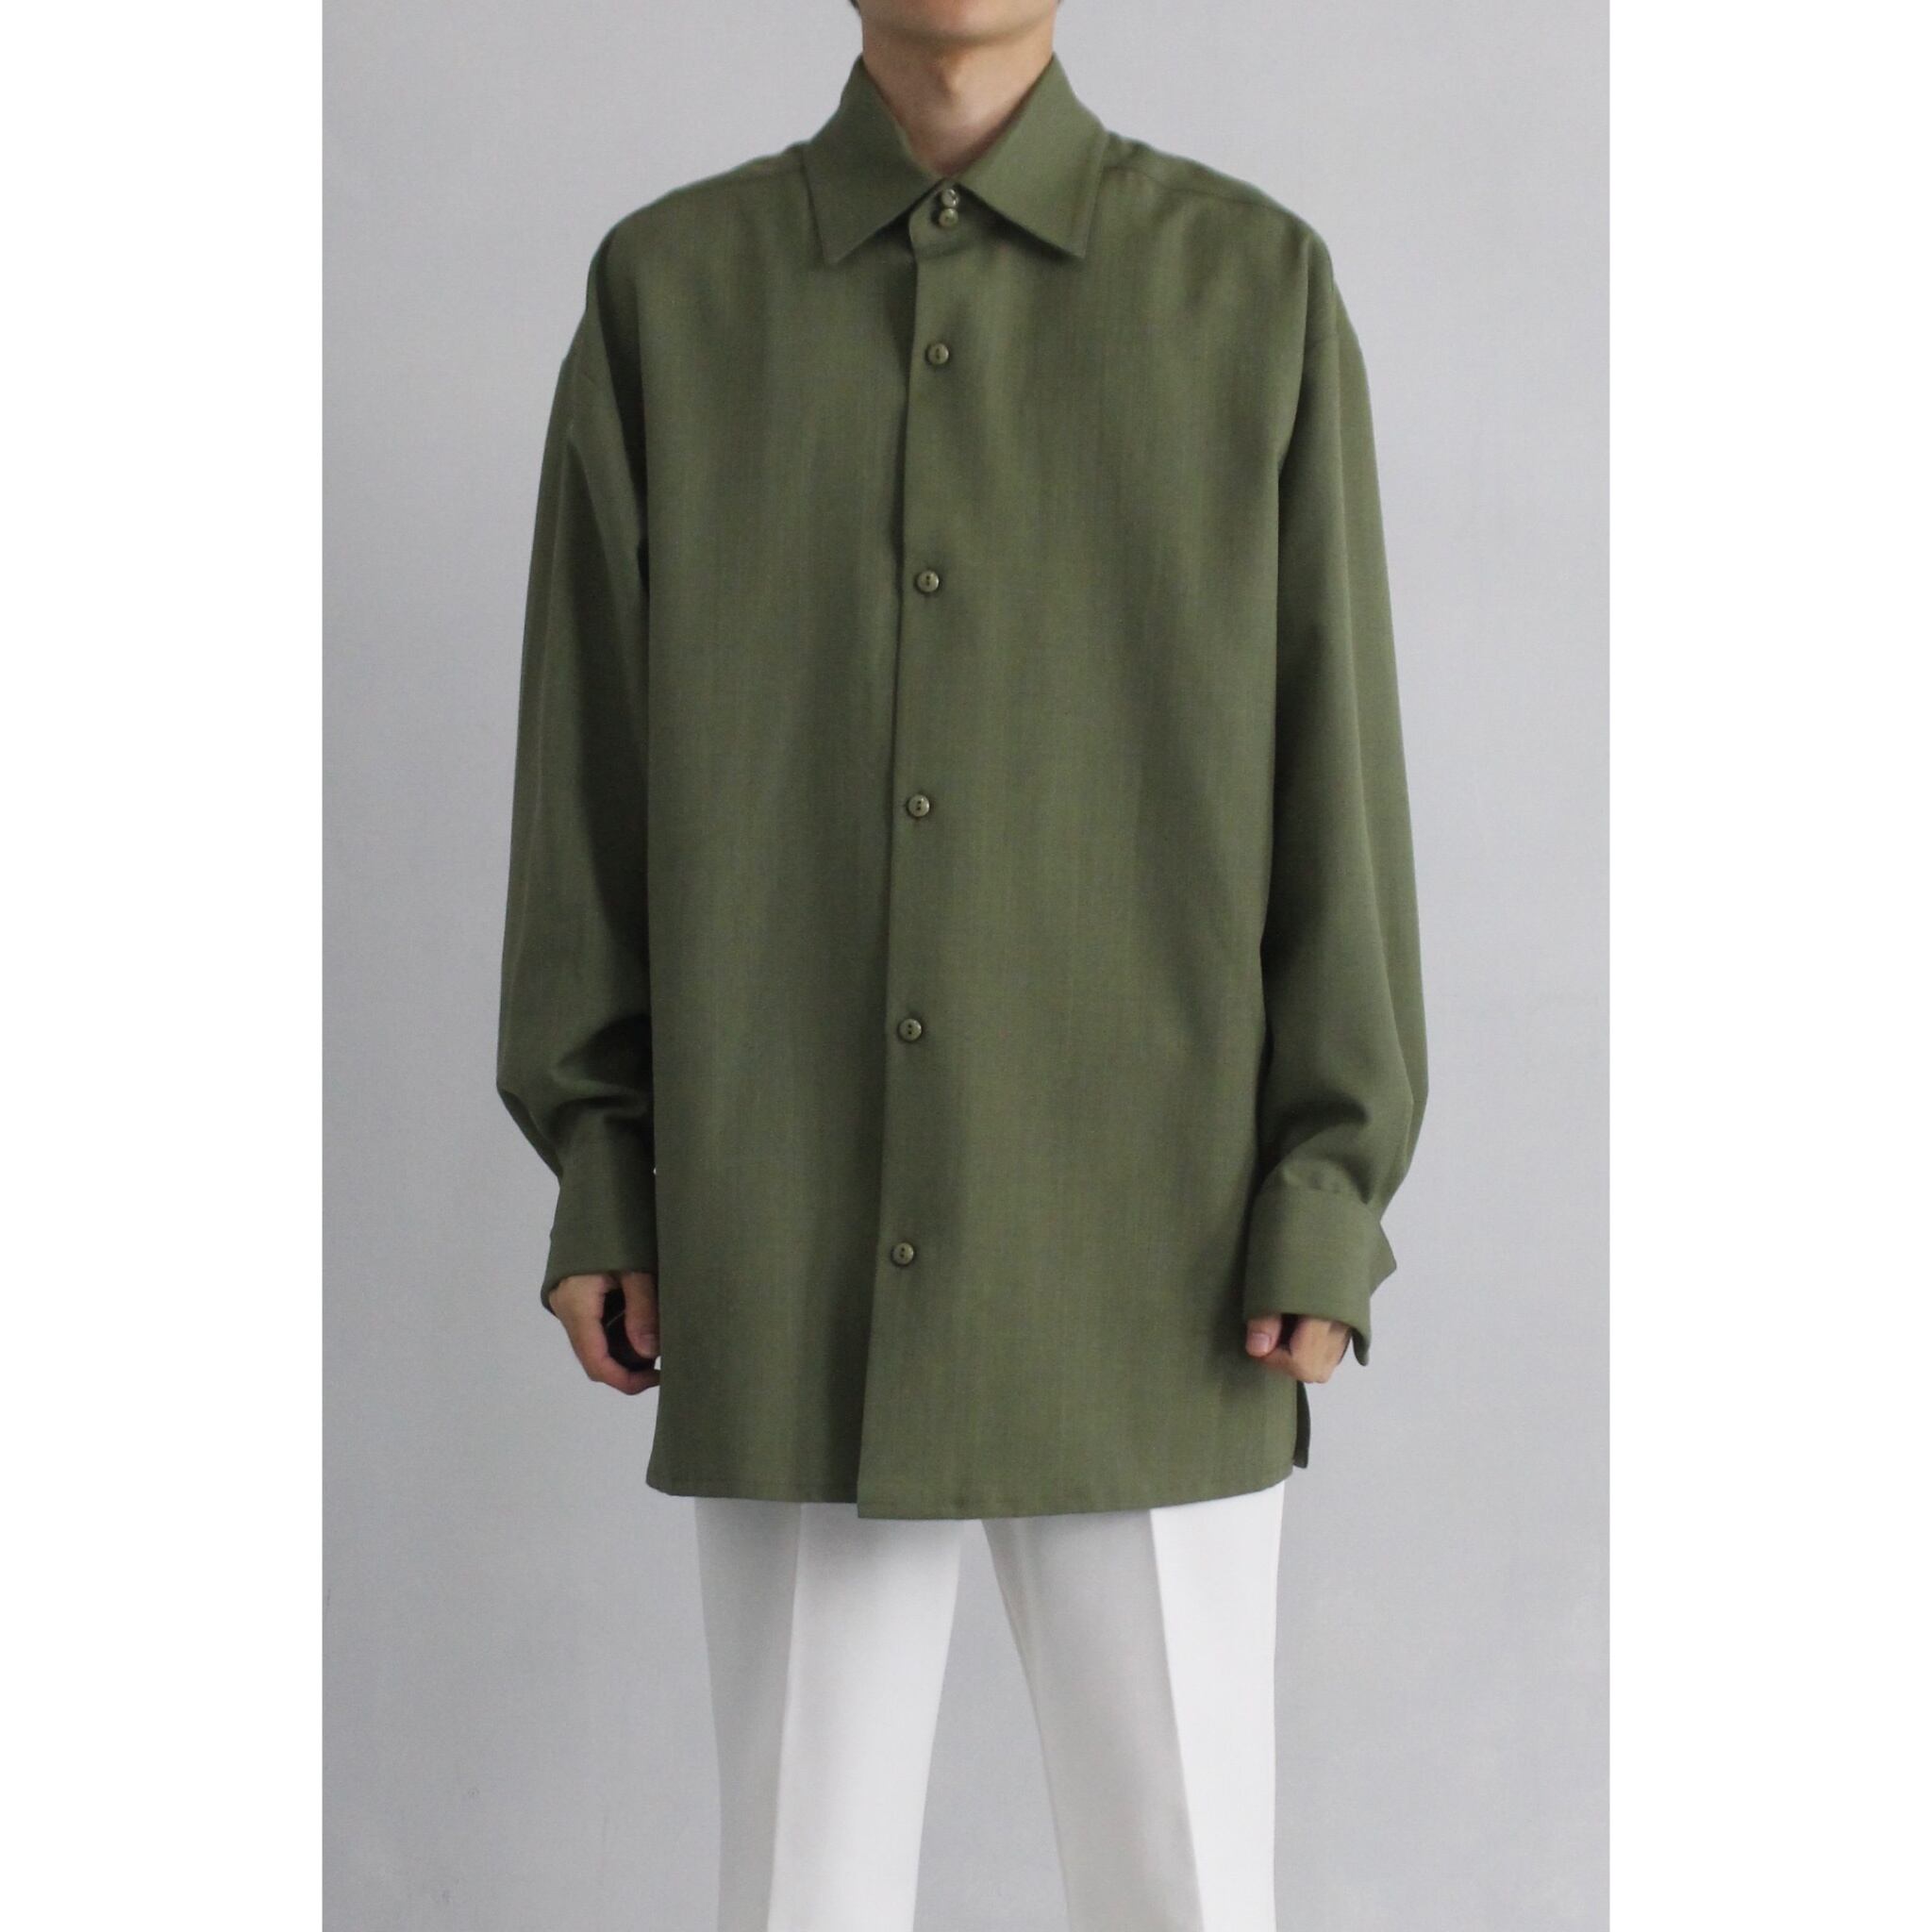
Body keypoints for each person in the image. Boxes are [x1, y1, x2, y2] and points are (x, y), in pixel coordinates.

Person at [495, 2, 1428, 1925]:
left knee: (1181, 1889)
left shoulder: (1250, 291)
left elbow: (1334, 781)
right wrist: (604, 1164)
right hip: (785, 1242)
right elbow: (585, 778)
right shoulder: (671, 295)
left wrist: (1327, 1197)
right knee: (797, 1895)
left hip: (1164, 1261)